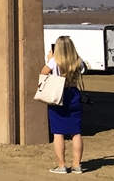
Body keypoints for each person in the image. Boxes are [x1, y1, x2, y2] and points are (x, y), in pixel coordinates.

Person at [42, 35, 87, 174]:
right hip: (73, 94)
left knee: (58, 132)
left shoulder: (54, 61)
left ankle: (62, 165)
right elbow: (84, 70)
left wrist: (49, 60)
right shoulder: (78, 61)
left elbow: (43, 73)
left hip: (58, 95)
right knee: (76, 132)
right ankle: (76, 164)